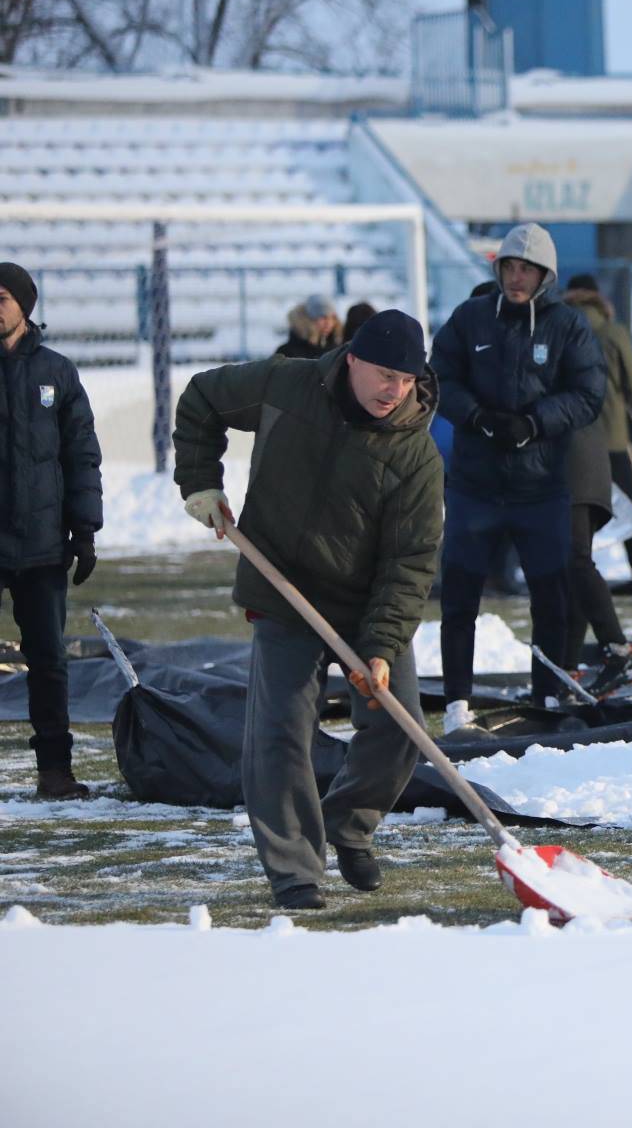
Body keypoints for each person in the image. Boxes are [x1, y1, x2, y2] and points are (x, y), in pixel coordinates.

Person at [173, 309, 441, 910]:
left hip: (366, 600)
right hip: (283, 587)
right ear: (351, 359)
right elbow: (202, 400)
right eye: (382, 373)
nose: (392, 390)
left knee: (399, 727)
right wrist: (198, 481)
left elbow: (411, 562)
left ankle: (348, 824)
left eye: (405, 378)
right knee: (281, 733)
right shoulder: (286, 386)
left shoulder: (416, 456)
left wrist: (377, 646)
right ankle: (295, 868)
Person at [430, 223, 606, 707]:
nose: (516, 276)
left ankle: (547, 694)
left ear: (545, 274)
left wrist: (535, 423)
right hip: (474, 486)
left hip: (540, 487)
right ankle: (457, 702)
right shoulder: (470, 318)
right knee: (459, 598)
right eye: (509, 265)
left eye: (526, 268)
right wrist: (478, 417)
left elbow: (590, 394)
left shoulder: (568, 325)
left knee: (551, 597)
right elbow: (439, 374)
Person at [0, 263, 102, 800]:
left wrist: (84, 532)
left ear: (25, 305)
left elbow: (81, 454)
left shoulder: (57, 373)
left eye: (1, 297)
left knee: (48, 662)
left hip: (41, 546)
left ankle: (55, 772)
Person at [564, 274, 632, 603]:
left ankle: (577, 581)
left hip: (572, 443)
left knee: (577, 518)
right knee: (628, 513)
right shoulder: (613, 332)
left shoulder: (557, 329)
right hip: (614, 440)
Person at [559, 391, 632, 696]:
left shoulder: (558, 346)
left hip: (573, 463)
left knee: (574, 561)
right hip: (581, 460)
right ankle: (567, 670)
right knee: (571, 568)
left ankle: (619, 652)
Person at [275, 293, 342, 360]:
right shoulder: (285, 353)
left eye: (333, 318)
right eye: (323, 317)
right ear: (309, 320)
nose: (329, 323)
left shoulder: (338, 349)